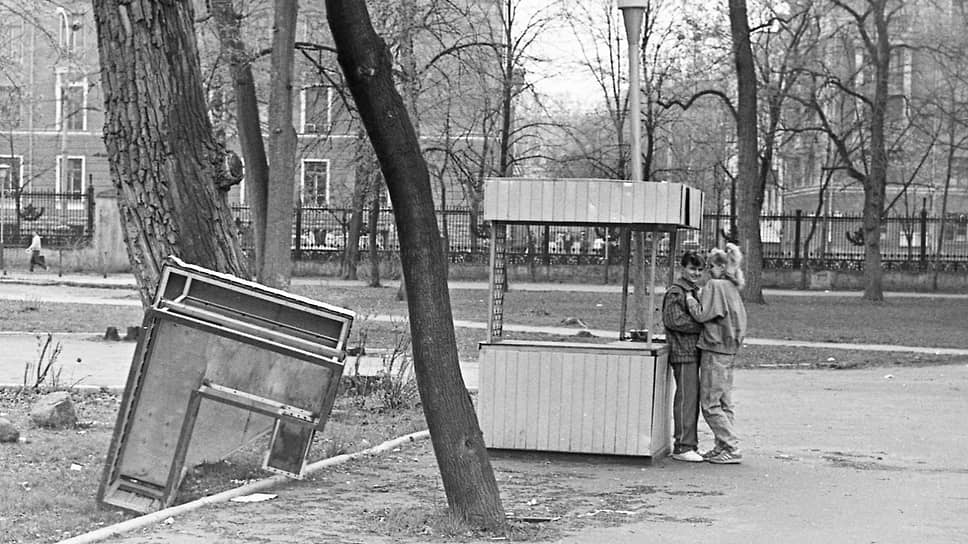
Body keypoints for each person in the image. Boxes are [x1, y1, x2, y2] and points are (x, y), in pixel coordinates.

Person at [686, 242, 748, 465]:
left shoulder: (716, 285)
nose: (707, 271)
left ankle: (731, 446)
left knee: (710, 404)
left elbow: (703, 315)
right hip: (730, 350)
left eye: (711, 266)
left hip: (715, 348)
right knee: (723, 402)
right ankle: (722, 446)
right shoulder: (732, 288)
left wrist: (691, 300)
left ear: (720, 267)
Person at [662, 250, 706, 462]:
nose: (696, 273)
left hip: (691, 350)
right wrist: (703, 325)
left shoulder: (692, 290)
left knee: (691, 397)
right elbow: (674, 321)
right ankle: (683, 445)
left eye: (699, 269)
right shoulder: (677, 292)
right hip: (682, 350)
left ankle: (689, 443)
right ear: (683, 268)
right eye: (692, 268)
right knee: (687, 398)